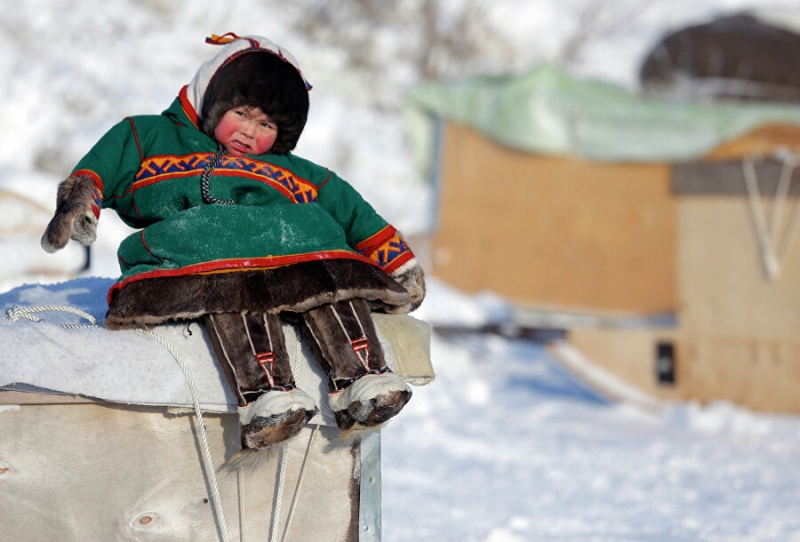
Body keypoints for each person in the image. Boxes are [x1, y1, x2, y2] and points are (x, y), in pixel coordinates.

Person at [40, 33, 426, 449]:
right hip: (201, 254)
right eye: (240, 113)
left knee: (332, 276)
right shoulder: (150, 136)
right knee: (236, 292)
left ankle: (364, 381)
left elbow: (349, 208)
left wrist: (395, 259)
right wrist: (81, 203)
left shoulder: (291, 170)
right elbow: (103, 165)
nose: (248, 132)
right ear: (212, 103)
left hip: (295, 253)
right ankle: (267, 397)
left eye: (266, 125)